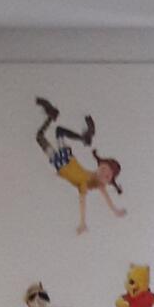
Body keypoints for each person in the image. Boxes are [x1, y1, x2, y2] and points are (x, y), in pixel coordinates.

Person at [35, 97, 126, 232]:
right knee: (55, 133)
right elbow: (104, 196)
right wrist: (114, 210)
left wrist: (83, 222)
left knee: (42, 137)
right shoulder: (90, 179)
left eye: (106, 175)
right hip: (66, 161)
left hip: (60, 163)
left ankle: (56, 118)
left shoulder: (85, 184)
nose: (102, 173)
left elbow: (84, 202)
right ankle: (83, 137)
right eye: (103, 169)